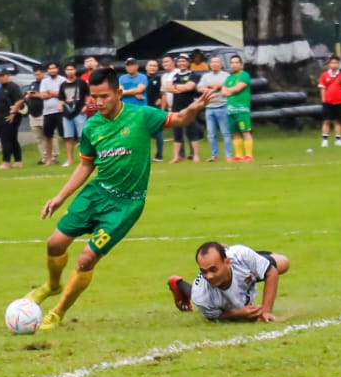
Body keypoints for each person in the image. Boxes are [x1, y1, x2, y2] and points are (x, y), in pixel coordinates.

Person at [26, 67, 215, 330]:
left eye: (104, 96)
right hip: (96, 193)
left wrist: (196, 106)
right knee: (54, 243)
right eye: (94, 97)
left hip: (125, 206)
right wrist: (60, 197)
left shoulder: (141, 115)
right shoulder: (92, 126)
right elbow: (85, 165)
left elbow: (181, 119)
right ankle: (52, 286)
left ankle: (57, 313)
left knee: (86, 259)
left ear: (119, 92)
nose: (98, 102)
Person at [169, 242, 290, 322]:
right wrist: (238, 313)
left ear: (227, 262)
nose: (209, 276)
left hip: (242, 268)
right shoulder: (200, 296)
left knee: (284, 263)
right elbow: (216, 316)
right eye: (204, 271)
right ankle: (177, 283)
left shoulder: (241, 255)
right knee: (202, 297)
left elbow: (271, 272)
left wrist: (266, 311)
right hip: (216, 285)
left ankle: (225, 252)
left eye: (213, 269)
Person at [166, 54, 201, 163]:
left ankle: (195, 155)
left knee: (192, 131)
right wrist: (181, 87)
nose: (182, 63)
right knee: (177, 132)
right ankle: (177, 156)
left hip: (189, 107)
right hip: (176, 108)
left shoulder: (193, 74)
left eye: (184, 61)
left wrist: (176, 87)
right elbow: (169, 88)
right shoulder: (175, 75)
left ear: (188, 62)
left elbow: (189, 87)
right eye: (180, 61)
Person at [199, 54, 232, 162]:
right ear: (209, 64)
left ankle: (229, 155)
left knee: (226, 133)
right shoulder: (206, 76)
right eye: (212, 62)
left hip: (222, 106)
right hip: (209, 108)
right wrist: (210, 89)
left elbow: (228, 86)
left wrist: (218, 86)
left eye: (217, 62)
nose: (214, 64)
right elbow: (199, 88)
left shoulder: (226, 75)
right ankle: (214, 155)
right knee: (211, 134)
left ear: (221, 64)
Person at [56, 63, 89, 168]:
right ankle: (69, 160)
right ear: (65, 71)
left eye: (71, 69)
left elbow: (88, 96)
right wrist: (60, 105)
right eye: (67, 69)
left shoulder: (81, 82)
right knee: (68, 137)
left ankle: (84, 159)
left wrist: (86, 106)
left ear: (75, 70)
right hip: (67, 114)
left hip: (79, 112)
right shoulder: (62, 85)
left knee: (82, 137)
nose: (69, 71)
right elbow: (62, 99)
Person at [0, 66, 26, 169]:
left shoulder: (13, 87)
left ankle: (6, 161)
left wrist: (13, 113)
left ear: (8, 76)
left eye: (2, 75)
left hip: (10, 117)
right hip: (1, 117)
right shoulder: (2, 87)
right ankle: (18, 161)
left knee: (6, 139)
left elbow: (20, 100)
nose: (0, 78)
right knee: (12, 139)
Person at [33, 61, 63, 166]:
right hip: (47, 112)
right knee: (48, 136)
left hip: (60, 111)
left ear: (57, 69)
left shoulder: (62, 80)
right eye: (50, 68)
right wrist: (54, 93)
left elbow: (62, 94)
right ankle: (49, 159)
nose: (52, 70)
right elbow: (42, 95)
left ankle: (69, 158)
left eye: (53, 68)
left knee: (66, 135)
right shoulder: (44, 81)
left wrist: (50, 92)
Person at [225, 54, 254, 161]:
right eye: (232, 63)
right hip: (230, 110)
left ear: (241, 65)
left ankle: (249, 155)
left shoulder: (244, 75)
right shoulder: (229, 78)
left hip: (242, 109)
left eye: (236, 62)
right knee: (234, 133)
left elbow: (238, 88)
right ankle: (238, 155)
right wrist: (229, 90)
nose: (234, 65)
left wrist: (229, 90)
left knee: (245, 132)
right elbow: (223, 92)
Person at [319, 54, 341, 146]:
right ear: (329, 64)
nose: (334, 65)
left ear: (339, 64)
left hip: (339, 102)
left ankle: (338, 139)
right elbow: (322, 88)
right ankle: (325, 140)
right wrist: (324, 100)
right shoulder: (324, 75)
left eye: (336, 63)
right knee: (326, 121)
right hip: (328, 102)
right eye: (332, 63)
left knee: (338, 121)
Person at [143, 58, 166, 161]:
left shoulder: (160, 78)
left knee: (158, 133)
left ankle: (159, 155)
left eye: (155, 66)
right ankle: (145, 155)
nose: (152, 68)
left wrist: (162, 106)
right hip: (143, 109)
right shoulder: (142, 78)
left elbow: (163, 93)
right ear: (146, 67)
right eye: (150, 65)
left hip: (155, 109)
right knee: (144, 134)